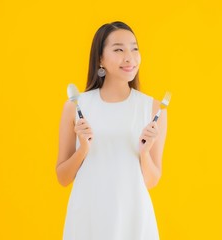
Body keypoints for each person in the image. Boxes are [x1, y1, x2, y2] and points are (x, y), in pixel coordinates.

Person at [56, 21, 168, 240]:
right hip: (87, 218)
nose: (130, 57)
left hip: (134, 219)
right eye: (118, 49)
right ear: (100, 58)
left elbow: (152, 181)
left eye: (134, 48)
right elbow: (62, 177)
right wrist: (84, 149)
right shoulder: (75, 106)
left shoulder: (154, 108)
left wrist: (144, 152)